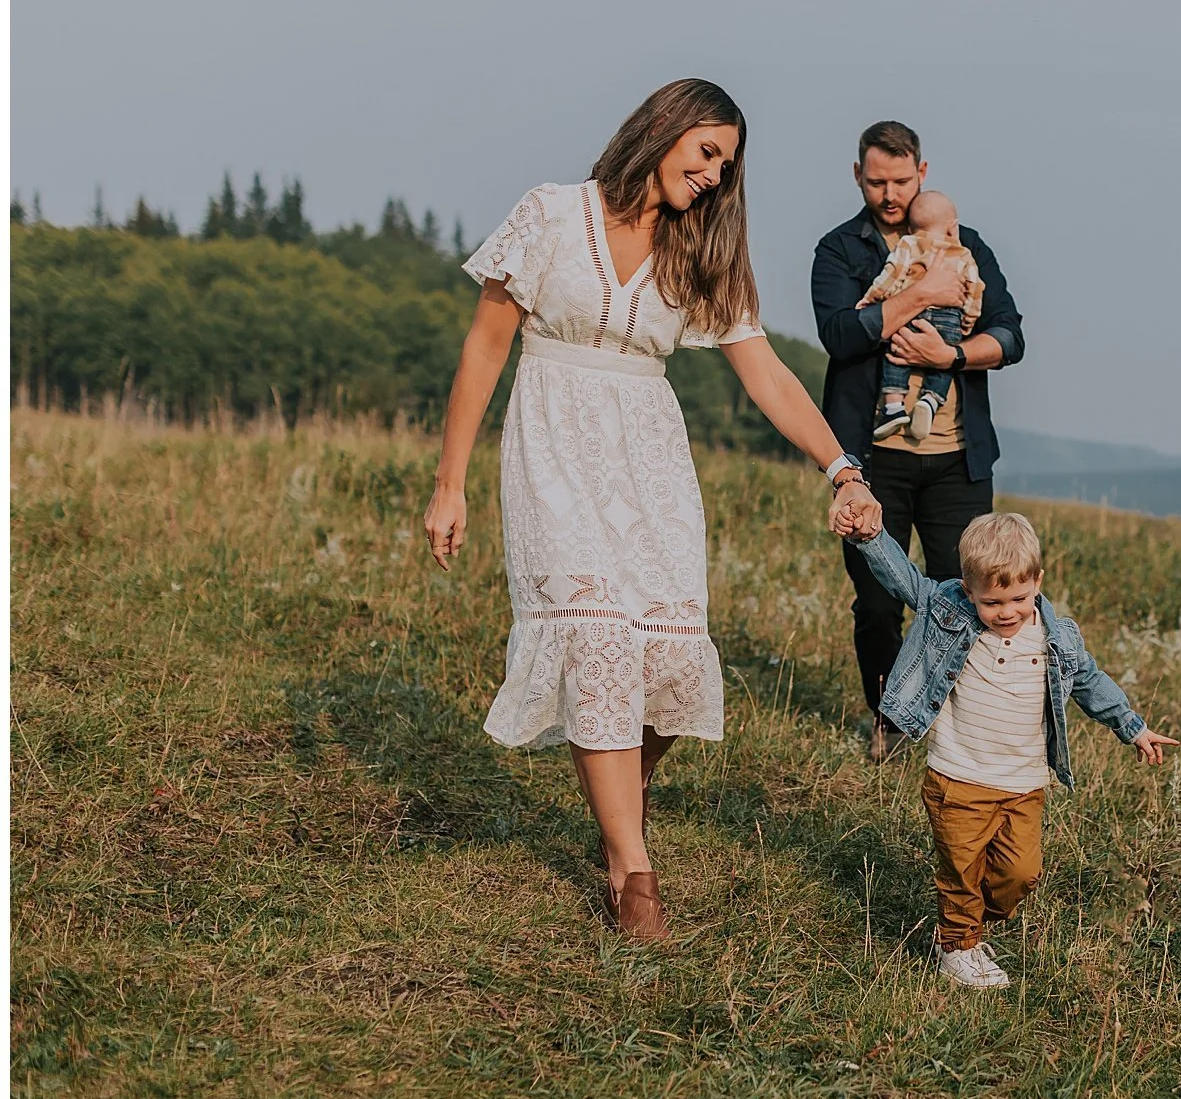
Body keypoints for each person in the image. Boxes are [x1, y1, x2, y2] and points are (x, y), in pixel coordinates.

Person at [423, 78, 883, 942]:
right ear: (663, 129)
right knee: (596, 636)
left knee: (669, 657)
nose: (714, 176)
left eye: (727, 165)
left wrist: (841, 467)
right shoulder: (552, 214)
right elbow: (485, 349)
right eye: (706, 151)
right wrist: (449, 484)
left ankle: (618, 815)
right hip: (552, 442)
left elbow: (768, 376)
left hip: (652, 458)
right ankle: (634, 875)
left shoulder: (699, 251)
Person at [836, 509, 1179, 988]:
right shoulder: (948, 610)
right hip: (957, 775)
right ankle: (957, 944)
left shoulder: (1056, 638)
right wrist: (871, 538)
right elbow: (903, 579)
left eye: (1019, 597)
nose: (1008, 612)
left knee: (1020, 874)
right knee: (961, 867)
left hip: (1023, 783)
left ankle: (971, 925)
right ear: (968, 588)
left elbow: (1089, 683)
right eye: (993, 602)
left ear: (1037, 581)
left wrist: (1132, 727)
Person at [811, 121, 1025, 759]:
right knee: (878, 604)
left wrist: (951, 354)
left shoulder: (968, 243)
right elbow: (841, 336)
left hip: (959, 461)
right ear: (858, 177)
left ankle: (957, 721)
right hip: (874, 461)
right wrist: (922, 295)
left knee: (966, 595)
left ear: (922, 174)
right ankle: (888, 721)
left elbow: (1011, 337)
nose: (889, 193)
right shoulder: (840, 250)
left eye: (901, 181)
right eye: (876, 182)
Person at [857, 190, 984, 442]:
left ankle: (893, 406)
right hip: (950, 318)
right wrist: (968, 319)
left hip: (912, 316)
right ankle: (930, 400)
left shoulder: (909, 243)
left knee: (898, 353)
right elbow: (975, 289)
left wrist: (871, 299)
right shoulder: (963, 254)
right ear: (952, 228)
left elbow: (892, 276)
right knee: (944, 361)